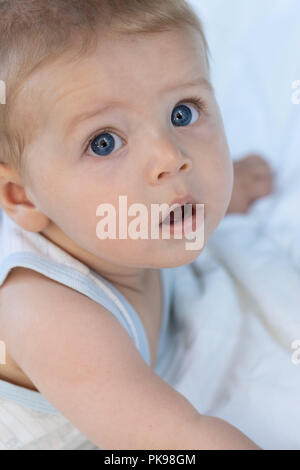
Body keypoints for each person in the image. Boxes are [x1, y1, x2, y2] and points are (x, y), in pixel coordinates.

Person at [0, 0, 273, 450]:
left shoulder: (132, 216)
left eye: (182, 113)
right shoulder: (52, 318)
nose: (171, 158)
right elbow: (178, 440)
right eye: (104, 142)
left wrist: (223, 183)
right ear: (23, 196)